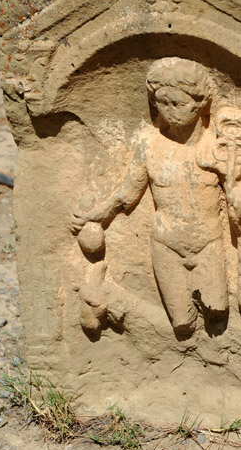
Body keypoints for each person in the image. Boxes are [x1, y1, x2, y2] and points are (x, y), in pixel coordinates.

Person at [72, 57, 229, 337]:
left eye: (178, 104)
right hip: (166, 244)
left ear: (200, 102)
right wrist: (98, 214)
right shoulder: (149, 145)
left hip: (208, 243)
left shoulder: (216, 145)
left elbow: (239, 190)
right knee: (181, 323)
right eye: (162, 104)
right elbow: (127, 194)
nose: (170, 113)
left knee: (218, 313)